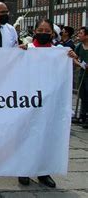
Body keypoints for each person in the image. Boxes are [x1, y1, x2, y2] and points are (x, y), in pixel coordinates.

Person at [17, 18, 71, 188]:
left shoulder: (59, 52)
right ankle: (23, 170)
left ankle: (43, 171)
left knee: (46, 135)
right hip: (28, 98)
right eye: (40, 30)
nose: (43, 33)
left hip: (49, 100)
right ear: (35, 32)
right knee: (26, 134)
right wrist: (17, 53)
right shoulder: (27, 49)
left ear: (52, 34)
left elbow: (70, 69)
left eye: (47, 31)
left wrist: (71, 57)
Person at [71, 27, 88, 128]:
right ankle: (82, 116)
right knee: (83, 95)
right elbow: (74, 58)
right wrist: (80, 64)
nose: (79, 35)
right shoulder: (79, 46)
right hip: (83, 74)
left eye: (81, 33)